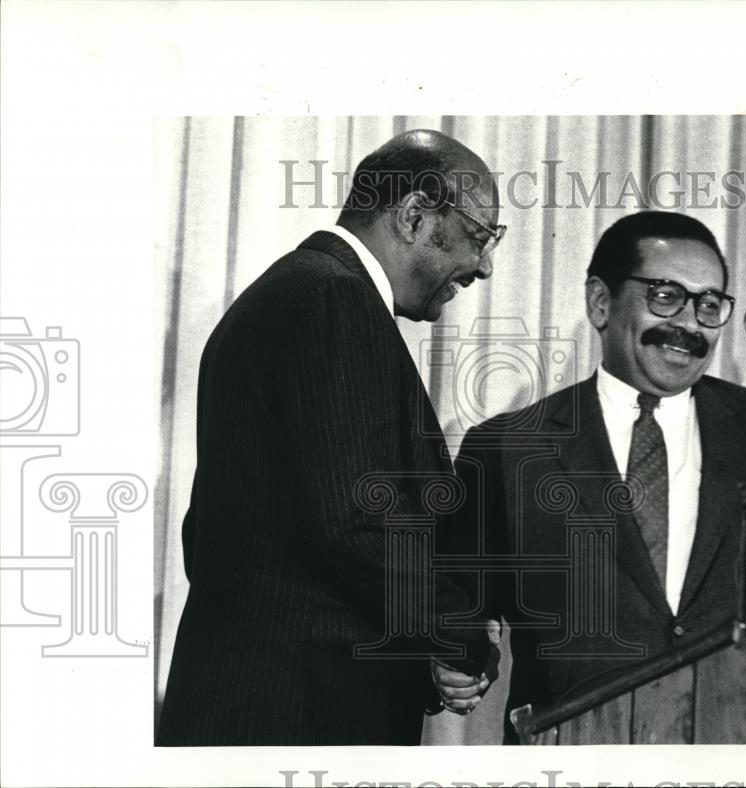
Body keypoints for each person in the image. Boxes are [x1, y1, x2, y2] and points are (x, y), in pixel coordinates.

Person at [157, 130, 504, 746]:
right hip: (295, 718)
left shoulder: (289, 292)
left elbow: (220, 536)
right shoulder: (333, 298)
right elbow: (357, 524)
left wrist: (425, 649)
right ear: (414, 214)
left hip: (254, 706)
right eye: (479, 236)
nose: (484, 266)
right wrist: (458, 633)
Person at [445, 211, 746, 743]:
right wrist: (457, 654)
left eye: (708, 304)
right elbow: (459, 604)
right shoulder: (508, 447)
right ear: (600, 302)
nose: (689, 324)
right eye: (664, 296)